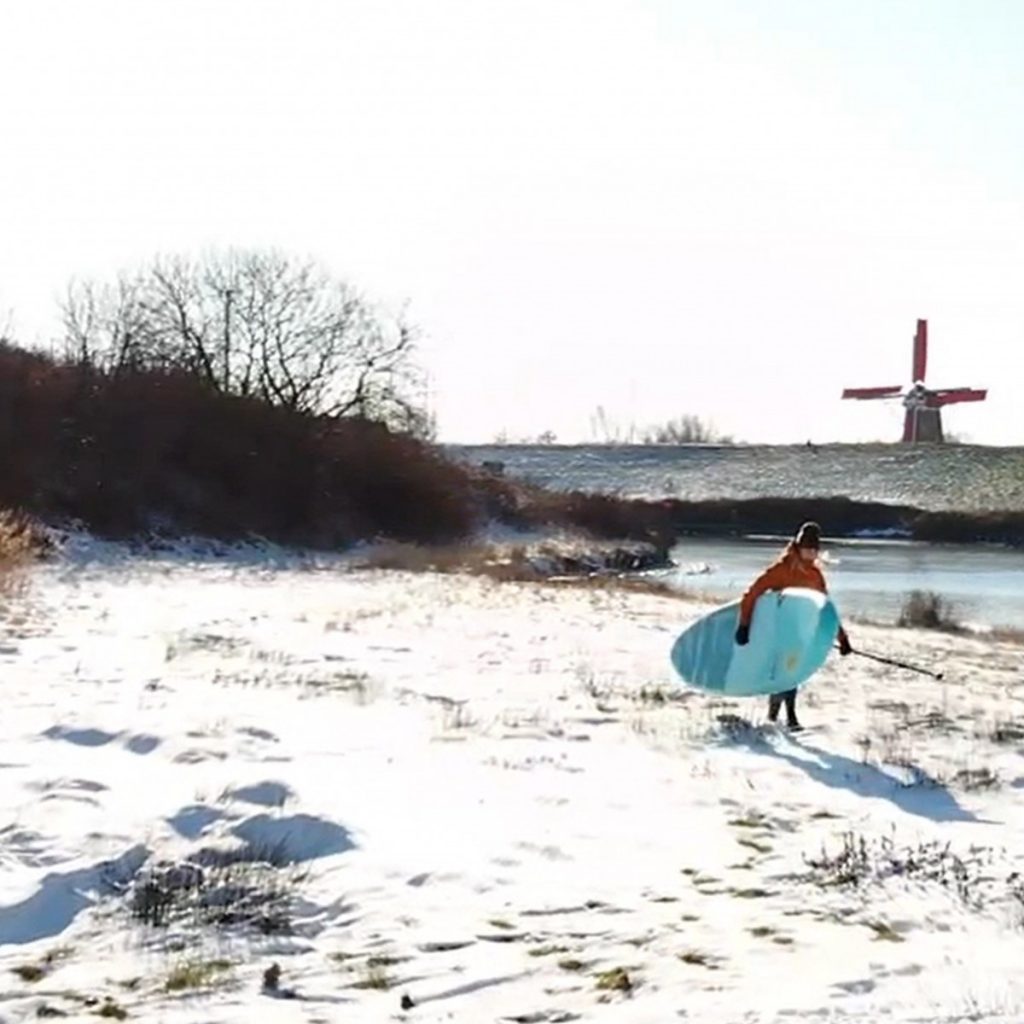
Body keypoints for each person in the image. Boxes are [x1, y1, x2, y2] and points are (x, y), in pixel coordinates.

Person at [734, 521, 852, 730]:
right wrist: (744, 625)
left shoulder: (815, 575)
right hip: (776, 631)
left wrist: (842, 638)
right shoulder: (781, 569)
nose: (811, 554)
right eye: (807, 549)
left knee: (792, 673)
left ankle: (778, 718)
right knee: (785, 673)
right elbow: (752, 594)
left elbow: (825, 609)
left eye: (814, 550)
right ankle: (787, 718)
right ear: (798, 547)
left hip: (799, 634)